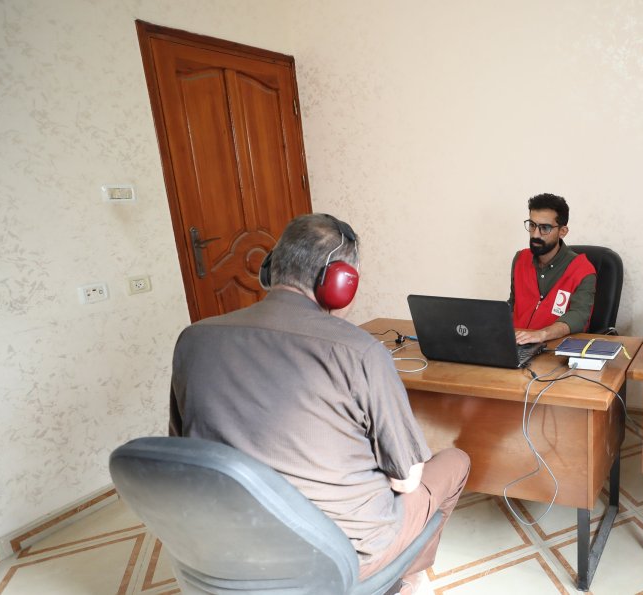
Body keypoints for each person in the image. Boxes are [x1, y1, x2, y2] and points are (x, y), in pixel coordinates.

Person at [169, 213, 468, 591]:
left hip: (229, 546)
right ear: (341, 283)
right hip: (340, 556)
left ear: (269, 271)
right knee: (455, 462)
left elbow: (185, 448)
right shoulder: (359, 351)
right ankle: (403, 579)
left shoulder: (193, 339)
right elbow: (406, 481)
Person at [509, 193, 597, 344]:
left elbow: (579, 316)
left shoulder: (583, 270)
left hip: (554, 350)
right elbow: (513, 305)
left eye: (545, 228)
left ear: (562, 231)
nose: (535, 234)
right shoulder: (520, 259)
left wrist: (542, 334)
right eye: (532, 225)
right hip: (516, 345)